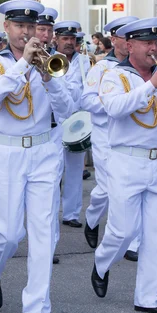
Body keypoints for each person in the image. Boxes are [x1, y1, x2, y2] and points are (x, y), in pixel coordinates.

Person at [0, 0, 73, 313]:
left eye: (32, 28)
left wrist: (48, 78)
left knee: (44, 232)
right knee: (6, 235)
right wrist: (24, 66)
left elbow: (67, 110)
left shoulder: (49, 64)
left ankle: (36, 311)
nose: (27, 33)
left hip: (44, 152)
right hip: (6, 152)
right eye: (20, 27)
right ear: (7, 28)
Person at [91, 17, 157, 313]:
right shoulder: (114, 75)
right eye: (147, 43)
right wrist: (151, 85)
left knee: (156, 234)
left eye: (156, 43)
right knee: (122, 231)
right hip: (126, 160)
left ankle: (149, 298)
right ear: (129, 45)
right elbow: (115, 108)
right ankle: (102, 262)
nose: (154, 48)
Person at [82, 15, 142, 262]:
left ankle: (133, 241)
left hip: (133, 136)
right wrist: (113, 103)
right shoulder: (101, 68)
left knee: (132, 189)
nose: (128, 42)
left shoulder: (142, 68)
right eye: (123, 37)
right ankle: (92, 217)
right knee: (106, 189)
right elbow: (86, 100)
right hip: (106, 135)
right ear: (114, 39)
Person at [52, 20, 91, 229]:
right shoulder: (49, 59)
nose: (69, 42)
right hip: (55, 122)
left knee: (75, 169)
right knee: (54, 169)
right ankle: (49, 212)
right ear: (56, 39)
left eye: (72, 39)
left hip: (76, 119)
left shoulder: (84, 61)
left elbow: (89, 88)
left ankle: (71, 213)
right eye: (65, 38)